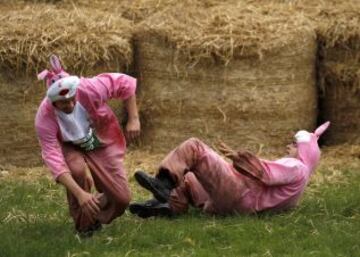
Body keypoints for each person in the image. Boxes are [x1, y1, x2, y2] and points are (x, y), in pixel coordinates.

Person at [129, 122, 330, 218]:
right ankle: (167, 206)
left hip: (238, 194)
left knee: (194, 147)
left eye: (293, 145)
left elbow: (266, 175)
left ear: (304, 151)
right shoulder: (299, 186)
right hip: (237, 206)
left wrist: (239, 158)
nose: (289, 147)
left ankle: (163, 184)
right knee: (190, 175)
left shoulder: (297, 167)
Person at [35, 55, 140, 236]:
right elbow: (54, 161)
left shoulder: (88, 88)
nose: (70, 104)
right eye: (63, 102)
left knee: (122, 199)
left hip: (97, 138)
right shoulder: (44, 117)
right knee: (75, 171)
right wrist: (79, 194)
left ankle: (95, 211)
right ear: (53, 102)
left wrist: (134, 119)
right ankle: (85, 226)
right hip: (69, 145)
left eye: (72, 98)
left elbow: (125, 83)